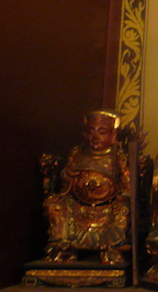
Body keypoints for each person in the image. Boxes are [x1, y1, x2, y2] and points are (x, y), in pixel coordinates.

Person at [43, 111, 130, 264]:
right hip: (78, 206)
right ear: (84, 134)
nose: (95, 137)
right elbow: (65, 186)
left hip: (108, 207)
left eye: (102, 132)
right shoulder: (77, 154)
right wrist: (68, 176)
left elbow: (127, 186)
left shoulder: (118, 157)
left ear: (113, 135)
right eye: (90, 132)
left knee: (122, 210)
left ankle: (110, 248)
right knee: (53, 205)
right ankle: (63, 247)